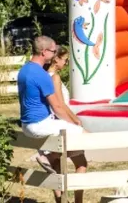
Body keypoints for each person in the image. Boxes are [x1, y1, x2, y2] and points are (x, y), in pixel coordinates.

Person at [18, 36, 86, 203]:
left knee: (69, 139)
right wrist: (75, 123)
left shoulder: (24, 70)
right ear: (44, 52)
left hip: (27, 125)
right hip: (40, 124)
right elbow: (57, 107)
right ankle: (48, 157)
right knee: (81, 133)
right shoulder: (42, 75)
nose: (55, 54)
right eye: (53, 51)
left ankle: (52, 157)